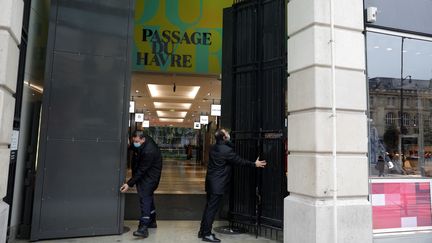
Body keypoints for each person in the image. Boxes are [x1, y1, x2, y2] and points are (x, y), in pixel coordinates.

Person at [198, 129, 267, 242]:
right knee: (211, 210)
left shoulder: (214, 147)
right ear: (224, 138)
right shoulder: (226, 151)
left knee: (208, 208)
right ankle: (206, 234)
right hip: (218, 185)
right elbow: (239, 161)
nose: (229, 134)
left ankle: (202, 231)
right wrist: (254, 164)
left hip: (211, 183)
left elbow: (230, 148)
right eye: (226, 133)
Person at [120, 130, 163, 238]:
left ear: (142, 139)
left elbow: (141, 170)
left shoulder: (149, 151)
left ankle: (143, 228)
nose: (135, 143)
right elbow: (135, 148)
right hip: (147, 176)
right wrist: (129, 146)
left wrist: (129, 184)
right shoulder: (144, 142)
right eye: (134, 141)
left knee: (145, 200)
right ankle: (152, 221)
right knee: (148, 198)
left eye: (137, 141)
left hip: (149, 178)